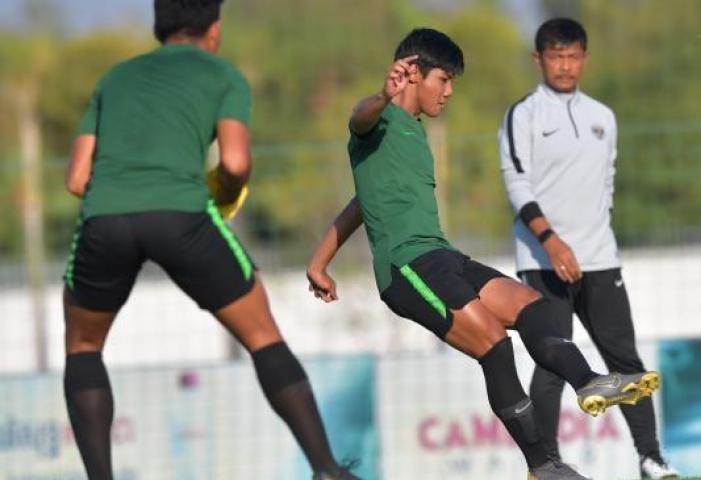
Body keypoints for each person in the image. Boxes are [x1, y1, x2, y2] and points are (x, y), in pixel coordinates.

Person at [307, 27, 659, 480]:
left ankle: (589, 381)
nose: (449, 92)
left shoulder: (413, 134)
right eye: (444, 80)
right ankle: (543, 466)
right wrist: (380, 94)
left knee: (531, 308)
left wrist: (319, 263)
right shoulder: (374, 123)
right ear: (412, 73)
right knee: (495, 346)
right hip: (406, 269)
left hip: (442, 256)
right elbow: (359, 117)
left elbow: (362, 203)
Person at [62, 1, 357, 479]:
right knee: (263, 336)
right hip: (182, 215)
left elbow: (77, 179)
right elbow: (236, 163)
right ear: (214, 28)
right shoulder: (222, 75)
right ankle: (326, 469)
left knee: (83, 347)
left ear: (159, 25)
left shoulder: (114, 79)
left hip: (105, 219)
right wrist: (221, 192)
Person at [498, 18, 679, 479]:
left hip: (600, 259)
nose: (564, 65)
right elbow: (517, 185)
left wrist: (593, 236)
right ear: (538, 59)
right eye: (555, 56)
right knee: (552, 361)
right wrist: (551, 241)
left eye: (572, 55)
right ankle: (548, 465)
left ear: (585, 58)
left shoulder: (604, 116)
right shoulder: (523, 115)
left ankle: (650, 458)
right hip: (543, 261)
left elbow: (607, 182)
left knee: (625, 361)